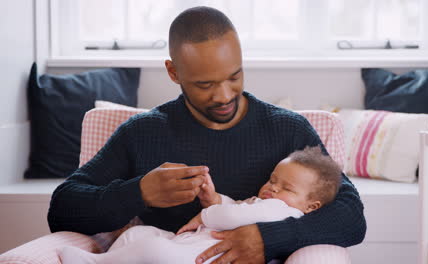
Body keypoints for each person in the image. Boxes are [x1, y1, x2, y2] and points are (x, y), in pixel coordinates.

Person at [48, 6, 366, 263]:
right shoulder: (143, 132)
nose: (225, 95)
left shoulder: (288, 129)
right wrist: (138, 192)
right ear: (174, 72)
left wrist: (266, 240)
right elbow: (63, 209)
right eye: (205, 85)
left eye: (234, 76)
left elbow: (350, 215)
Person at [58, 146, 343, 264]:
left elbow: (230, 216)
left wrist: (209, 211)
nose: (273, 188)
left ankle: (96, 262)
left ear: (312, 206)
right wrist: (214, 199)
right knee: (138, 235)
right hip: (186, 244)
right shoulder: (267, 202)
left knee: (154, 249)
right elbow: (238, 208)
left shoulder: (284, 211)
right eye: (272, 180)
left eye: (287, 188)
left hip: (200, 258)